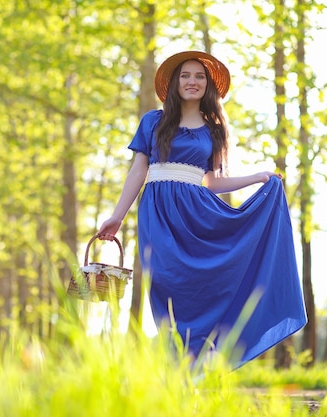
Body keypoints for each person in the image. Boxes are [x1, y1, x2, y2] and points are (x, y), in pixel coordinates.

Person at [97, 50, 307, 368]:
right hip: (158, 214)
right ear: (174, 83)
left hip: (200, 216)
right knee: (166, 283)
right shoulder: (152, 121)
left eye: (199, 76)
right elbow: (138, 170)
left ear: (208, 85)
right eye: (185, 75)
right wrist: (118, 215)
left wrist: (256, 178)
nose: (192, 81)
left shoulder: (214, 130)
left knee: (205, 286)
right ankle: (178, 359)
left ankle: (197, 363)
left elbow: (211, 182)